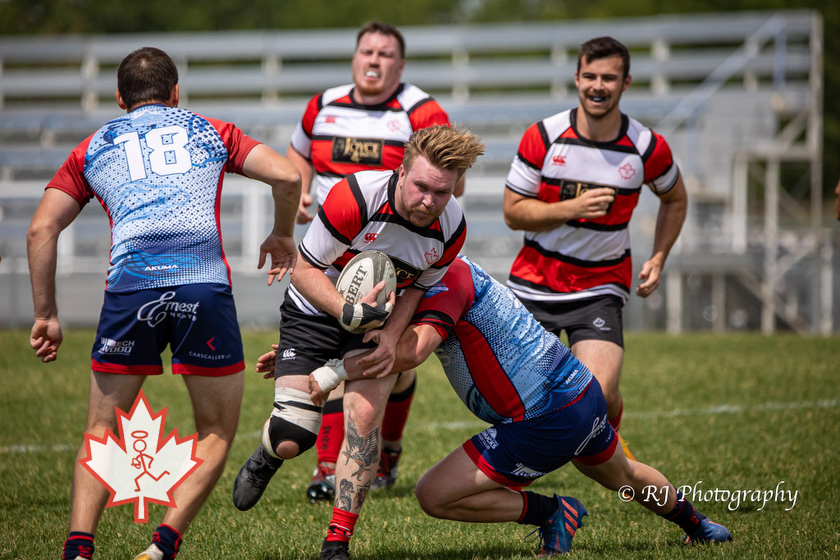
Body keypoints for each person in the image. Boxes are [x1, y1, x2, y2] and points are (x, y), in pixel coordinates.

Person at [26, 47, 301, 560]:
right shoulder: (211, 131)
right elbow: (287, 176)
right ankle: (161, 548)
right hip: (203, 286)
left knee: (102, 429)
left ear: (118, 98)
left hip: (130, 290)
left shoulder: (92, 147)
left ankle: (79, 549)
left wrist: (46, 314)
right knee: (216, 430)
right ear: (176, 94)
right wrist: (282, 235)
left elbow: (42, 227)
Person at [282, 255, 732, 557]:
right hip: (580, 393)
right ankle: (698, 526)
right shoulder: (445, 270)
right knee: (624, 474)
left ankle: (553, 512)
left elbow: (407, 354)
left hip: (543, 418)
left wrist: (327, 373)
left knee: (432, 494)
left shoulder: (449, 282)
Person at [231, 125, 484, 560]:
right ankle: (268, 456)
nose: (428, 201)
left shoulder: (452, 226)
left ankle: (337, 542)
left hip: (377, 319)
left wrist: (389, 332)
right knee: (293, 436)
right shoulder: (356, 198)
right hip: (314, 308)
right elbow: (305, 271)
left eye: (440, 193)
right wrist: (347, 313)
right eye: (421, 186)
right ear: (402, 172)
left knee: (364, 417)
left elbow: (419, 286)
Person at [285, 20, 463, 502]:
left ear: (399, 65)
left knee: (394, 360)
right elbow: (298, 155)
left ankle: (387, 450)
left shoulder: (421, 110)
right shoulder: (322, 105)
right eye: (367, 50)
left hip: (395, 260)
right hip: (332, 251)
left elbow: (448, 179)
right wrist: (301, 189)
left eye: (386, 54)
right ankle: (327, 468)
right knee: (338, 352)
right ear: (354, 56)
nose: (374, 60)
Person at [502, 36, 689, 458]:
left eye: (609, 77)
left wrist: (659, 256)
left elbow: (675, 199)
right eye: (590, 76)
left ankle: (610, 427)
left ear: (625, 83)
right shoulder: (544, 136)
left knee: (597, 394)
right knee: (520, 398)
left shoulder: (646, 146)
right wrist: (572, 207)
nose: (598, 86)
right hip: (535, 283)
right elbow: (513, 212)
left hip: (600, 285)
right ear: (577, 78)